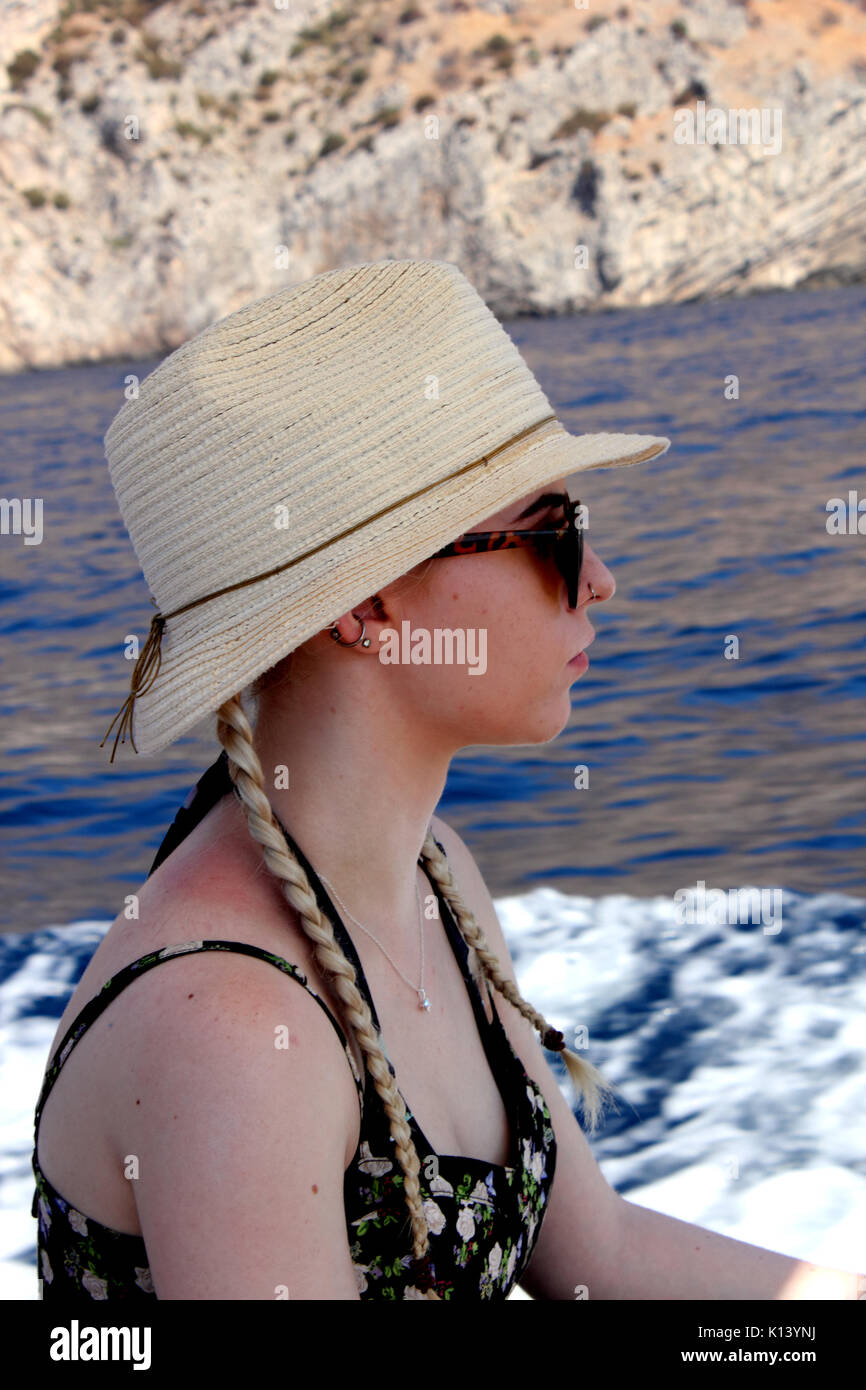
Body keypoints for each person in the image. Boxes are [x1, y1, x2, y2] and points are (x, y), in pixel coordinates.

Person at [32, 257, 675, 1301]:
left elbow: (601, 1261)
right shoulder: (233, 1024)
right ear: (368, 606)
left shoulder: (434, 876)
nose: (598, 578)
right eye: (553, 531)